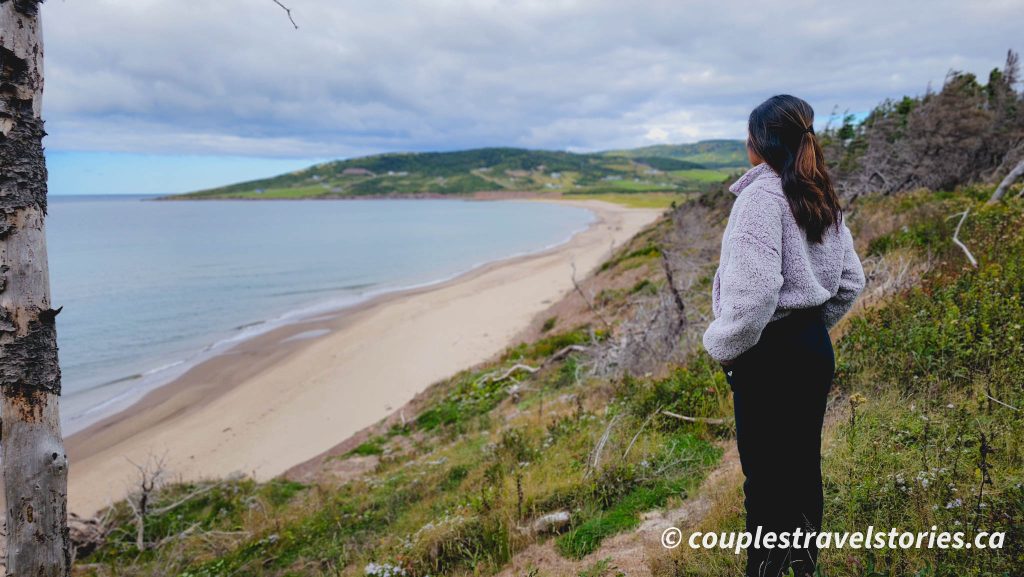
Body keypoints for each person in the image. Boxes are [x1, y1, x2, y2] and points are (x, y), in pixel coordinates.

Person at [702, 94, 866, 577]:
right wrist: (811, 330)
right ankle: (802, 568)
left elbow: (754, 297)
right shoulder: (819, 193)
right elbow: (850, 282)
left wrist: (723, 347)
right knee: (801, 469)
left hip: (766, 353)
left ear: (760, 143)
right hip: (812, 350)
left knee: (766, 481)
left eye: (747, 135)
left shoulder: (760, 198)